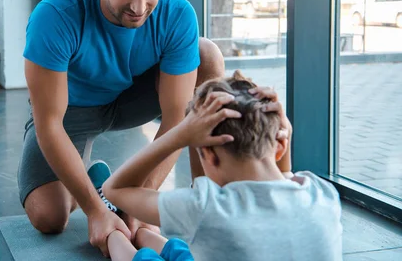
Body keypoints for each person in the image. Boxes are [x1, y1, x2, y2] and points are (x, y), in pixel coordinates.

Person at [19, 0, 226, 257]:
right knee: (48, 216)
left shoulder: (177, 14)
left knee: (207, 56)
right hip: (74, 108)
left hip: (133, 98)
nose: (139, 7)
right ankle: (96, 183)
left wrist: (140, 205)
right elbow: (49, 124)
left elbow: (178, 120)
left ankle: (208, 200)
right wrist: (96, 211)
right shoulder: (55, 16)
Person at [102, 71, 343, 261]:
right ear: (280, 145)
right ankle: (144, 233)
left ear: (208, 154)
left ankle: (114, 233)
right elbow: (283, 177)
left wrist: (180, 134)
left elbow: (116, 189)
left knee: (144, 258)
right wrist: (283, 135)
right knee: (183, 248)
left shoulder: (207, 208)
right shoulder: (322, 194)